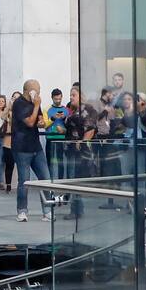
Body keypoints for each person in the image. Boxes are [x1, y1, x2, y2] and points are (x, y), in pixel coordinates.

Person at [11, 80, 52, 222]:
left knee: (45, 178)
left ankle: (47, 211)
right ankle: (22, 211)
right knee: (24, 181)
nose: (39, 93)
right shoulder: (19, 103)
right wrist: (36, 106)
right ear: (30, 91)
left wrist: (41, 121)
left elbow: (39, 119)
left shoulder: (36, 104)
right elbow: (29, 122)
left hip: (35, 146)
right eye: (37, 90)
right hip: (22, 147)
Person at [63, 87, 98, 219]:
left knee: (75, 178)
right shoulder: (71, 110)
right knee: (72, 176)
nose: (71, 97)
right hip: (70, 148)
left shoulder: (87, 109)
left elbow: (90, 128)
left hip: (80, 150)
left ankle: (75, 210)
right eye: (70, 95)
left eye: (74, 95)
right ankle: (78, 208)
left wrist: (82, 142)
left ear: (80, 96)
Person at [45, 88, 69, 179]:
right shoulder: (47, 109)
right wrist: (53, 118)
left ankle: (60, 180)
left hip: (62, 138)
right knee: (50, 160)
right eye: (56, 99)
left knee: (60, 161)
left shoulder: (66, 110)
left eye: (59, 99)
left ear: (62, 97)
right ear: (52, 98)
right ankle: (50, 179)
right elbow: (44, 125)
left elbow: (69, 125)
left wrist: (64, 118)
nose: (58, 101)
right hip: (50, 137)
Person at [1, 92, 20, 192]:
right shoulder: (8, 110)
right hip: (8, 141)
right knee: (9, 164)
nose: (15, 100)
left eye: (17, 98)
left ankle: (19, 183)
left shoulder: (21, 111)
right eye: (13, 97)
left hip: (18, 140)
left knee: (20, 164)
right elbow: (2, 117)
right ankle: (8, 184)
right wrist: (8, 106)